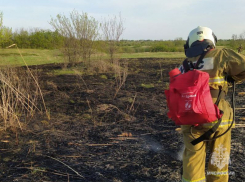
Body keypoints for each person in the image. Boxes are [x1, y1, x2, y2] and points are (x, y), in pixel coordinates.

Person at [179, 26, 245, 182]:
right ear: (211, 40)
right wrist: (232, 78)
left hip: (190, 119)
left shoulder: (184, 65)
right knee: (219, 159)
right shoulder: (221, 54)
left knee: (192, 161)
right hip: (218, 117)